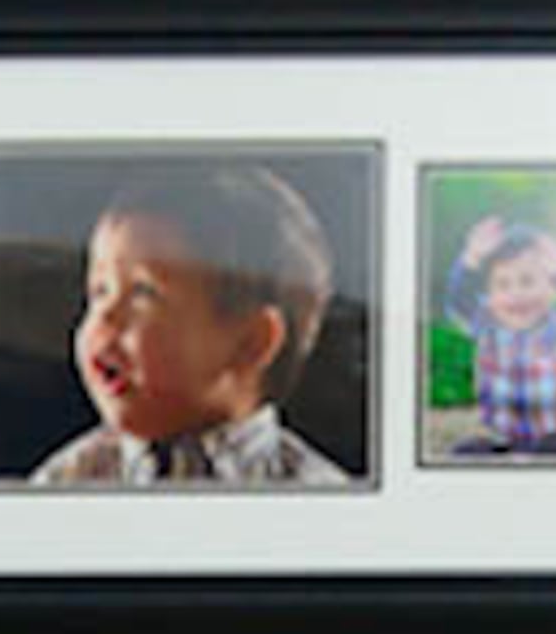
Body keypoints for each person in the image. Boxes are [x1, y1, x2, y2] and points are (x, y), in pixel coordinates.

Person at [31, 159, 349, 488]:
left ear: (251, 343)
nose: (104, 317)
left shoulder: (319, 493)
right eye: (100, 291)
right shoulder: (67, 480)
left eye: (143, 293)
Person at [439, 214, 556, 457]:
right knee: (469, 452)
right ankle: (504, 453)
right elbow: (458, 301)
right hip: (503, 436)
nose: (517, 295)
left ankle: (545, 455)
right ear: (489, 297)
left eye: (528, 281)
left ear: (554, 289)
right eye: (502, 285)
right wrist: (470, 261)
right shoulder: (486, 324)